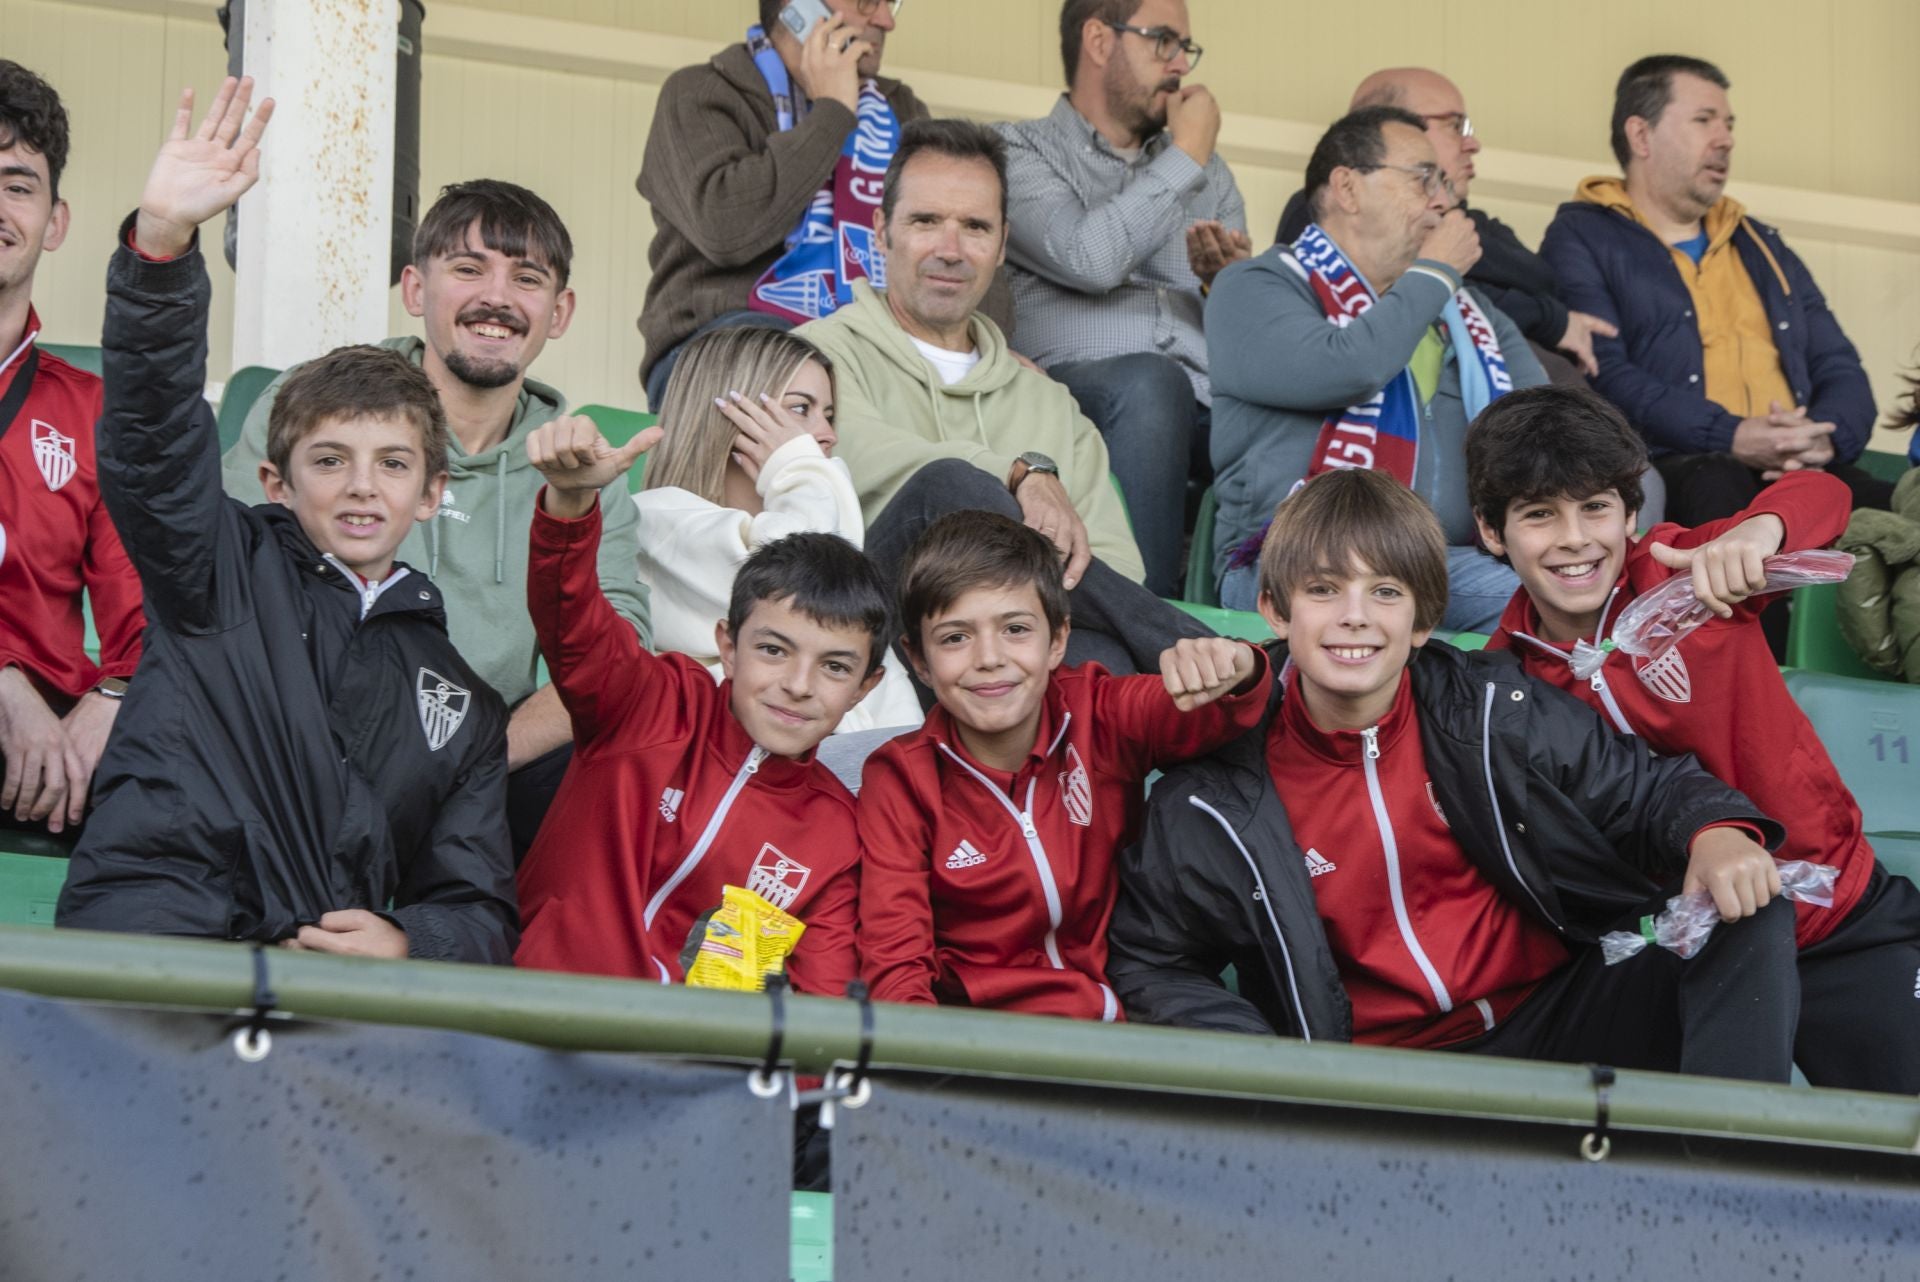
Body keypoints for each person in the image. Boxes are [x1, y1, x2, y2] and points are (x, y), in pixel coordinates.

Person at [1108, 468, 1802, 1082]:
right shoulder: (1216, 789)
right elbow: (1151, 961)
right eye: (1323, 589)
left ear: (1421, 621)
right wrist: (1264, 1062)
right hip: (1372, 1075)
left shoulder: (1493, 707)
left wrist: (1716, 831)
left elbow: (1650, 790)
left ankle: (1731, 1184)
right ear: (1276, 611)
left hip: (1550, 1023)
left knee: (1743, 906)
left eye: (1385, 591)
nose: (1355, 616)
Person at [58, 80, 516, 963]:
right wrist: (162, 245)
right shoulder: (217, 570)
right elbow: (152, 441)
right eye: (329, 460)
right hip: (149, 957)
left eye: (392, 464)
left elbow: (477, 906)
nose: (360, 488)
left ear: (431, 492)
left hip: (308, 1000)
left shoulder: (460, 701)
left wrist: (407, 937)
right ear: (275, 480)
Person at [1469, 384, 1920, 1092]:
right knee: (1711, 1159)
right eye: (1538, 515)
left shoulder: (1686, 572)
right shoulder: (1500, 688)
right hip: (1690, 956)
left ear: (1630, 512)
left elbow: (1823, 494)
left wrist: (1759, 531)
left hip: (1839, 919)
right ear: (1493, 532)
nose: (1575, 538)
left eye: (1595, 507)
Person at [223, 179, 648, 858]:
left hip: (481, 760)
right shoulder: (319, 400)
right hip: (303, 739)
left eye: (527, 278)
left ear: (560, 311)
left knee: (623, 774)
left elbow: (613, 666)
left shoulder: (578, 464)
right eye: (468, 268)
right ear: (416, 290)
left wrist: (474, 758)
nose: (498, 299)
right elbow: (232, 577)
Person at [514, 415, 890, 994]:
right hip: (534, 1028)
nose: (798, 683)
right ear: (727, 647)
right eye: (773, 649)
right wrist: (570, 501)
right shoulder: (651, 703)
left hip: (689, 1075)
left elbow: (823, 1009)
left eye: (835, 666)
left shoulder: (835, 832)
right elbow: (571, 617)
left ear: (865, 688)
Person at [857, 509, 1270, 1018]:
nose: (989, 657)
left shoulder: (1095, 710)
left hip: (1132, 998)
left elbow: (1214, 711)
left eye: (1015, 629)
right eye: (955, 637)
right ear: (918, 660)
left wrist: (1241, 667)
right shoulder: (902, 780)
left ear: (1056, 640)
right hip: (985, 1034)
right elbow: (896, 967)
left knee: (1244, 1062)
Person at [1206, 106, 1546, 628]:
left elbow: (1542, 420)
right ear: (1347, 187)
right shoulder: (1253, 286)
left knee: (1567, 596)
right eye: (1422, 178)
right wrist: (1436, 271)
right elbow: (1351, 367)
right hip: (1293, 560)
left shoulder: (1472, 315)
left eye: (1443, 181)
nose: (1442, 199)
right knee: (1517, 602)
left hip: (1440, 564)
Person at [1539, 55, 1884, 530]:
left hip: (1796, 466)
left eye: (1728, 124)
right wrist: (1731, 434)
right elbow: (1604, 374)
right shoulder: (1582, 235)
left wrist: (1822, 438)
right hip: (1684, 464)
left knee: (1897, 508)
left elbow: (1839, 365)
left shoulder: (1761, 243)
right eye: (1705, 121)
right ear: (1641, 136)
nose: (1726, 139)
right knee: (1723, 495)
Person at [636, 0, 1011, 411]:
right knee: (796, 363)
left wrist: (994, 354)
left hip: (874, 347)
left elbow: (965, 233)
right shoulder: (698, 93)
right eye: (869, 3)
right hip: (724, 345)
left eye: (892, 5)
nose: (886, 21)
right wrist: (833, 112)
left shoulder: (899, 110)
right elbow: (726, 230)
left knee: (1025, 395)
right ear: (801, 7)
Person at [996, 0, 1246, 596]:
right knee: (1153, 384)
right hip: (1078, 389)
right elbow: (1090, 259)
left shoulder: (1213, 172)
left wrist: (1228, 285)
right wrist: (1186, 156)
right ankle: (1144, 622)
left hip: (1208, 399)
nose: (1180, 63)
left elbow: (1245, 338)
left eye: (1185, 47)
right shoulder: (1015, 151)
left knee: (1289, 415)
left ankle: (1274, 634)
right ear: (1099, 41)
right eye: (1163, 40)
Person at [635, 324, 922, 732]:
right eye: (801, 408)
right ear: (729, 415)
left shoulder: (816, 506)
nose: (826, 435)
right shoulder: (655, 519)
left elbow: (891, 706)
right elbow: (793, 578)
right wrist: (799, 469)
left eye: (829, 414)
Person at [0, 60, 143, 837]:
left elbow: (140, 604)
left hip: (52, 742)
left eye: (17, 184)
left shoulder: (92, 411)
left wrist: (111, 698)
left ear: (54, 222)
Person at [1274, 68, 1617, 384]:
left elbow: (1537, 275)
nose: (1473, 143)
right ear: (1390, 127)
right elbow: (1405, 290)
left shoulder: (1477, 220)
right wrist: (1551, 319)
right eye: (1455, 125)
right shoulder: (1321, 207)